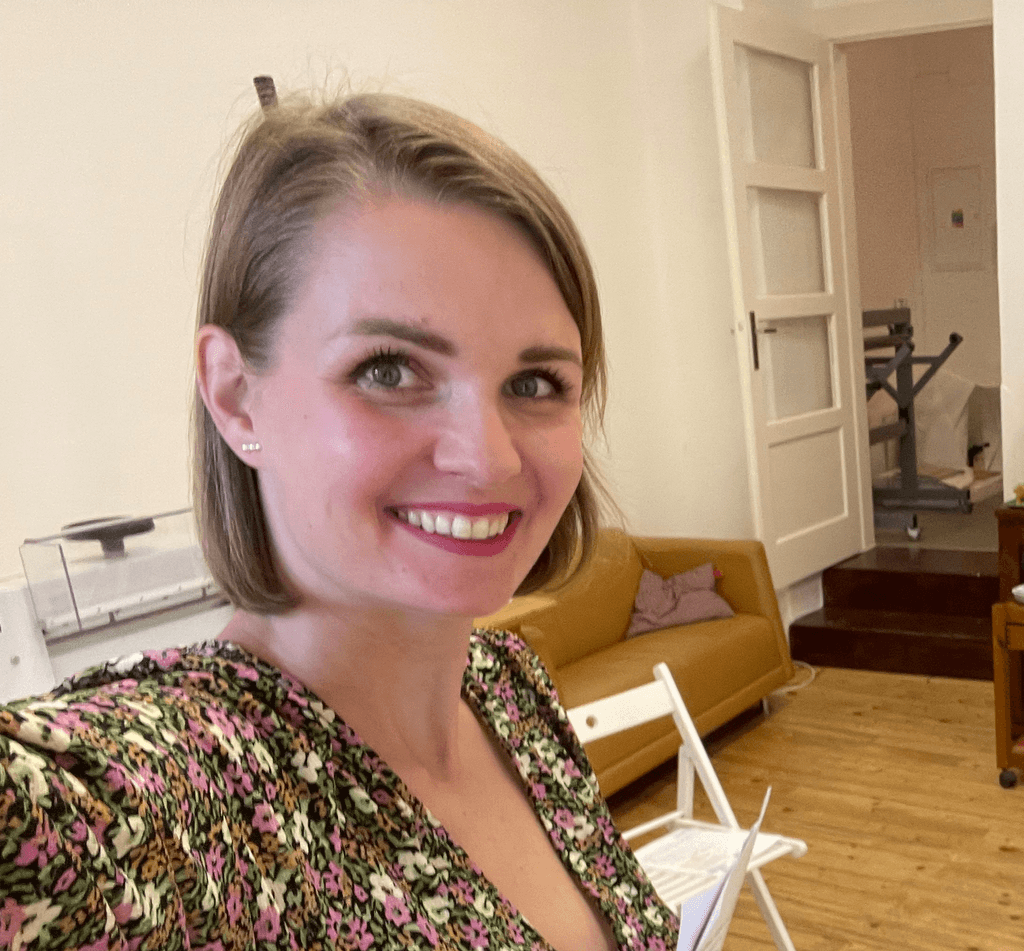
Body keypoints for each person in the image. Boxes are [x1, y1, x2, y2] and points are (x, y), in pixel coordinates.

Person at [0, 80, 679, 951]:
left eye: (534, 382)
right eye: (389, 370)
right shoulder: (182, 800)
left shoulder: (507, 688)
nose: (489, 458)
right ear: (235, 393)